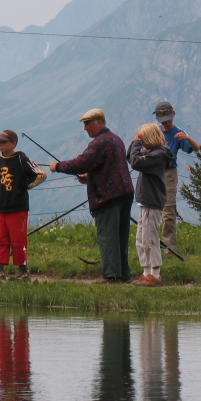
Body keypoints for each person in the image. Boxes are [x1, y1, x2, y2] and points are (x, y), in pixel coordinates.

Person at [49, 109, 134, 283]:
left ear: (99, 122)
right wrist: (90, 177)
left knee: (108, 236)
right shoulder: (116, 139)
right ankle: (123, 275)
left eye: (88, 123)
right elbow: (110, 167)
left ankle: (111, 277)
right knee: (121, 236)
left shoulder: (99, 143)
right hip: (124, 193)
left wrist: (58, 167)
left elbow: (82, 162)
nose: (85, 128)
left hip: (107, 196)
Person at [0, 129, 46, 280]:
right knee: (0, 239)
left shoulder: (21, 158)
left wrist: (24, 186)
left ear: (13, 143)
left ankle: (22, 270)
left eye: (4, 142)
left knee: (18, 240)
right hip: (1, 207)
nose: (0, 145)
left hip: (17, 207)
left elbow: (40, 174)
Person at [127, 123, 173, 287]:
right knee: (141, 238)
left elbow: (135, 163)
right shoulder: (153, 153)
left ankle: (155, 274)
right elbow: (131, 158)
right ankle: (146, 272)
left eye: (143, 139)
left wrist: (137, 144)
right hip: (146, 201)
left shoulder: (158, 155)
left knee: (150, 238)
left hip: (152, 201)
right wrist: (135, 144)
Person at [153, 101, 201, 254]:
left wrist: (187, 139)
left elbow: (196, 148)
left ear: (173, 115)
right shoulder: (155, 131)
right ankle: (152, 247)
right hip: (154, 173)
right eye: (163, 120)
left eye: (168, 119)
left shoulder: (179, 132)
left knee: (168, 211)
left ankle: (169, 248)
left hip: (169, 174)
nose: (166, 123)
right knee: (152, 210)